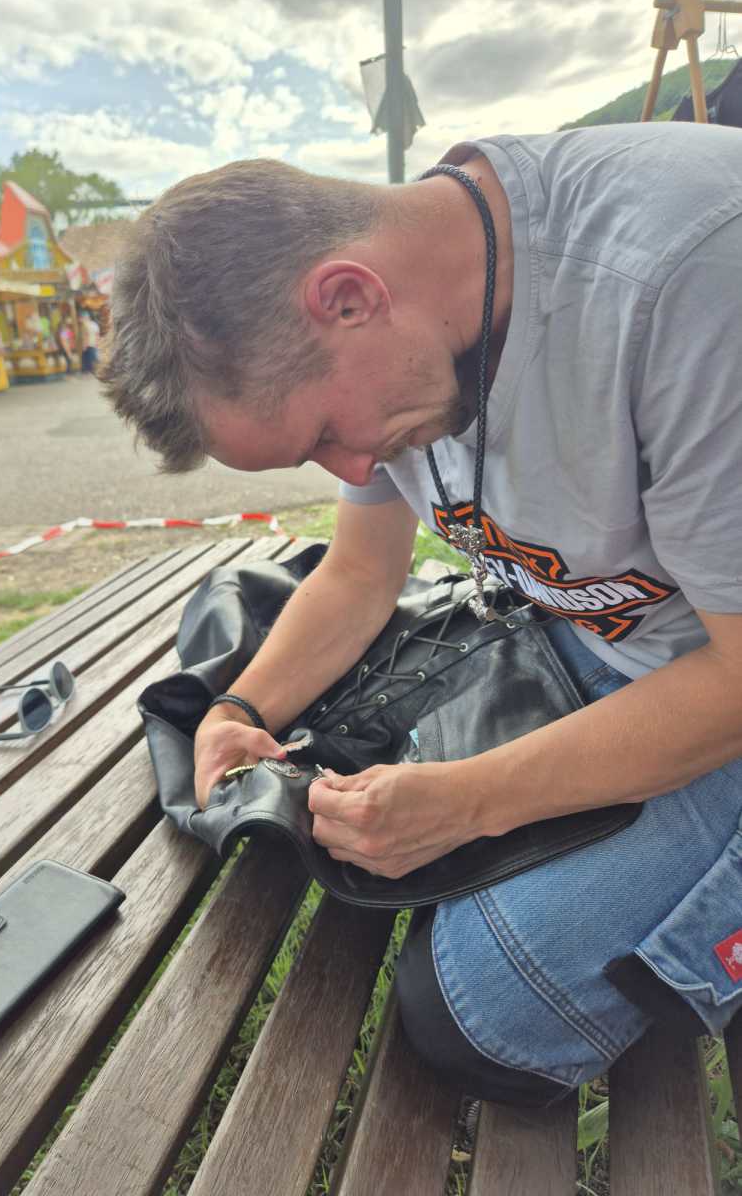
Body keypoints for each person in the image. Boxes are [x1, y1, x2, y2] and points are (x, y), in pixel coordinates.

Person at [101, 121, 742, 1106]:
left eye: (327, 435)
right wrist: (241, 710)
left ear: (347, 297)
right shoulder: (404, 320)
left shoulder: (685, 275)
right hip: (615, 636)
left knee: (485, 1014)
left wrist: (471, 801)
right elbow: (361, 574)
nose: (357, 469)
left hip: (719, 672)